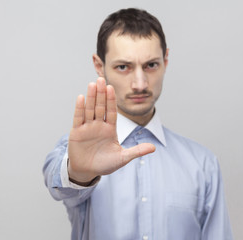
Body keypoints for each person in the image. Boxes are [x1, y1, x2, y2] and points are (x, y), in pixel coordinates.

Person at [43, 8, 233, 240]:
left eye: (151, 65)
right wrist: (79, 173)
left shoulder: (203, 164)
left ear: (165, 61)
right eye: (123, 67)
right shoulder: (80, 151)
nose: (140, 84)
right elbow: (58, 182)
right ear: (99, 65)